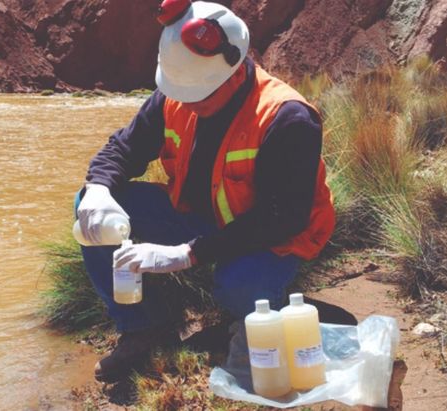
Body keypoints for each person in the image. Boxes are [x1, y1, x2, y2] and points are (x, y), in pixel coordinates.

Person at [74, 0, 335, 383]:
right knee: (91, 210)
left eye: (198, 95)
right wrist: (98, 188)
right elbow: (123, 149)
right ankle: (145, 328)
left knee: (239, 287)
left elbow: (282, 219)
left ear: (234, 74)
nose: (189, 103)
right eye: (181, 93)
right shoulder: (178, 95)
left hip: (272, 235)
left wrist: (186, 254)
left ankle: (278, 310)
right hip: (199, 215)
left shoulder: (286, 117)